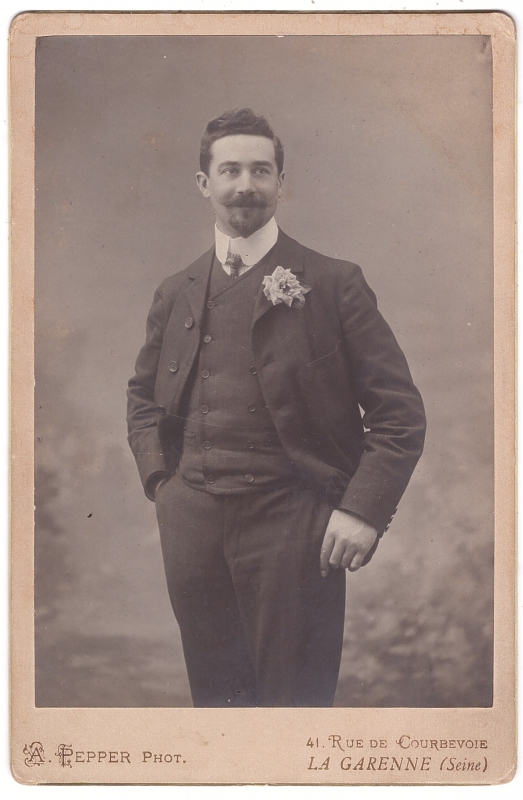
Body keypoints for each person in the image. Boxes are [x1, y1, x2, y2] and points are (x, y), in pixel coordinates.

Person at [127, 108, 426, 708]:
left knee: (294, 707)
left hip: (295, 526)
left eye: (261, 171)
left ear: (280, 184)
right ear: (204, 184)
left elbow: (399, 415)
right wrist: (164, 483)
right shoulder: (176, 290)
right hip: (193, 527)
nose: (245, 186)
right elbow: (142, 397)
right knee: (217, 705)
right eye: (230, 170)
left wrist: (361, 511)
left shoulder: (334, 283)